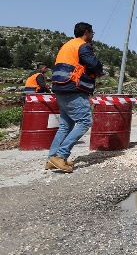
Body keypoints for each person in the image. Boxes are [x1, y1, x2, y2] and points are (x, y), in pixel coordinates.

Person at [46, 22, 104, 173]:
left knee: (66, 125)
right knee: (85, 121)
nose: (92, 36)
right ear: (86, 32)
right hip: (73, 88)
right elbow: (93, 64)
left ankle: (52, 158)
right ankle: (61, 155)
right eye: (92, 33)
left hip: (60, 87)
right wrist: (100, 69)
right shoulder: (83, 46)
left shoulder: (67, 45)